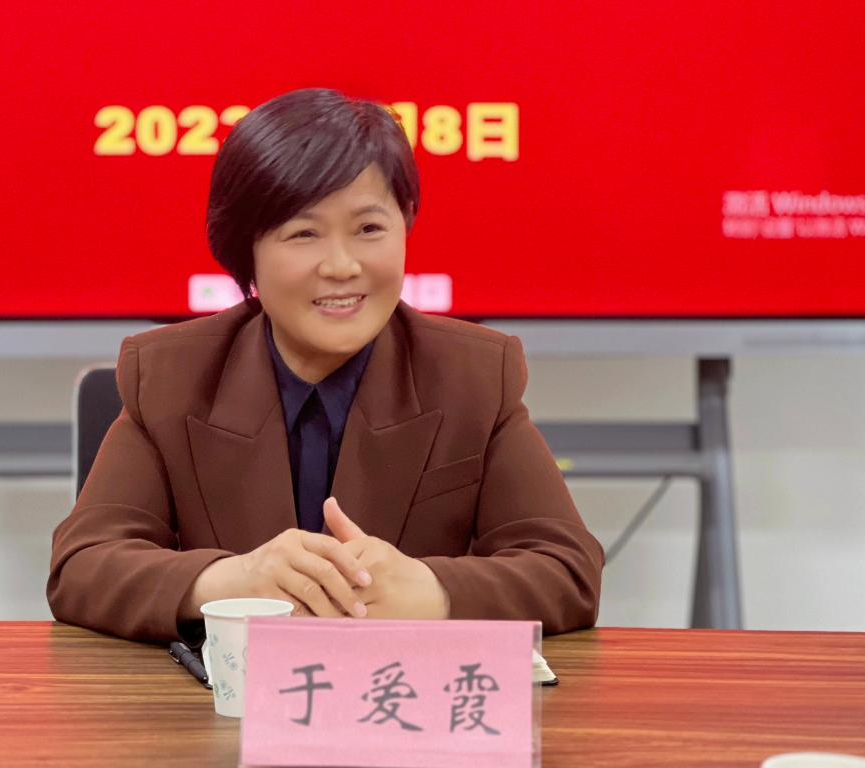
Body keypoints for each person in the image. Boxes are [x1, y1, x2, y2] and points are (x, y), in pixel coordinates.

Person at [47, 88, 604, 645]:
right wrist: (234, 580)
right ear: (248, 252)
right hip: (229, 697)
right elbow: (83, 566)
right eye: (304, 234)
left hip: (404, 691)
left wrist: (432, 590)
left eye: (369, 229)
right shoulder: (172, 375)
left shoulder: (473, 374)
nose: (342, 266)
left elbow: (567, 570)